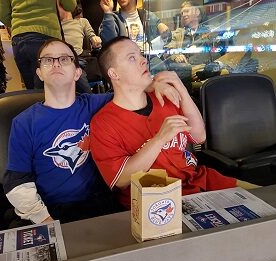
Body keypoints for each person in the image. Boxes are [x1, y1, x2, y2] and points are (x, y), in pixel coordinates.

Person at [3, 38, 182, 225]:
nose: (56, 63)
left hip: (100, 205)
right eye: (48, 60)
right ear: (39, 73)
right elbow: (17, 181)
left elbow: (128, 89)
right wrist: (45, 220)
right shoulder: (24, 123)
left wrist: (152, 85)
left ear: (77, 72)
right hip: (50, 210)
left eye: (64, 59)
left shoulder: (95, 104)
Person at [90, 37, 257, 209]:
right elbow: (121, 180)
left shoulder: (164, 96)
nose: (143, 61)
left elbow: (198, 137)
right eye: (132, 58)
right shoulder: (103, 123)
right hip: (154, 201)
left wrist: (181, 88)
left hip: (200, 181)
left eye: (140, 55)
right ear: (114, 74)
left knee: (265, 200)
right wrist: (159, 139)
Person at [0, 0, 77, 89]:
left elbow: (2, 15)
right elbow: (70, 5)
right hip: (46, 35)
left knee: (31, 90)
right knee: (50, 90)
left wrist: (21, 25)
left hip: (19, 40)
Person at [58, 3, 102, 93]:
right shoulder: (56, 26)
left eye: (58, 5)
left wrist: (95, 39)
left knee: (76, 72)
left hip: (78, 59)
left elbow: (91, 35)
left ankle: (89, 99)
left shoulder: (81, 21)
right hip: (61, 61)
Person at [99, 0, 170, 51]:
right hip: (127, 61)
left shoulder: (147, 15)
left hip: (149, 59)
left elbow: (168, 38)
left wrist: (163, 29)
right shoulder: (112, 18)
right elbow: (108, 43)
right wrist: (108, 12)